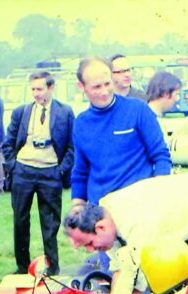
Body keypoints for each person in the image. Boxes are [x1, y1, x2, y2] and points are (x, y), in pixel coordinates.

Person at [64, 173, 188, 294]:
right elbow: (121, 271)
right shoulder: (106, 216)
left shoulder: (134, 221)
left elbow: (137, 279)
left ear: (100, 227)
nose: (90, 250)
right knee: (183, 277)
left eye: (88, 244)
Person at [70, 57, 171, 205]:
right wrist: (77, 206)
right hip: (101, 211)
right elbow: (80, 172)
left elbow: (161, 155)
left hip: (139, 205)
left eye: (107, 84)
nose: (104, 92)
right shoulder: (81, 123)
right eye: (97, 87)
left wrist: (156, 192)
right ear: (82, 86)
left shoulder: (138, 109)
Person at [2, 71, 75, 276]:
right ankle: (22, 267)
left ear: (51, 88)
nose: (36, 94)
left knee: (50, 223)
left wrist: (61, 169)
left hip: (50, 171)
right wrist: (13, 165)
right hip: (23, 171)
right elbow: (7, 142)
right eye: (33, 89)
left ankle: (53, 268)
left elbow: (72, 145)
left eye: (40, 89)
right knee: (20, 220)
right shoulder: (21, 112)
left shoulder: (65, 112)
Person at [146, 71, 182, 141]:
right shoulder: (149, 121)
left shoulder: (147, 116)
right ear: (166, 94)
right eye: (176, 94)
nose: (177, 99)